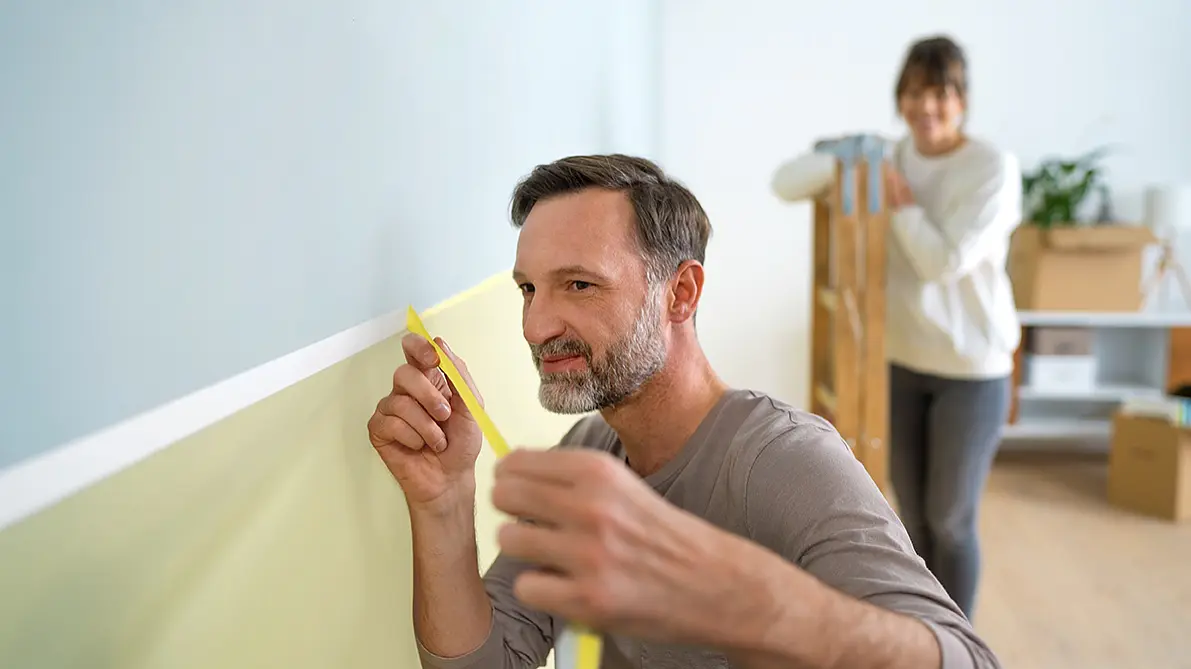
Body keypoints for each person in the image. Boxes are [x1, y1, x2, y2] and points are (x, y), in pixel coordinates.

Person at [368, 154, 1001, 668]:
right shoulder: (588, 453)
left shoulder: (786, 464)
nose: (535, 326)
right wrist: (442, 502)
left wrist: (770, 610)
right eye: (529, 289)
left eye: (579, 285)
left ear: (682, 292)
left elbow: (971, 661)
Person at [774, 36, 1022, 620]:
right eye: (913, 94)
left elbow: (942, 263)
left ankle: (956, 639)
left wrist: (903, 203)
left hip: (972, 368)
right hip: (904, 360)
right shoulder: (891, 156)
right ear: (899, 98)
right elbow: (785, 184)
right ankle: (921, 632)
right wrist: (846, 154)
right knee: (910, 511)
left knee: (951, 519)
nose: (925, 108)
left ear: (961, 99)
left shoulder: (991, 167)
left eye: (939, 94)